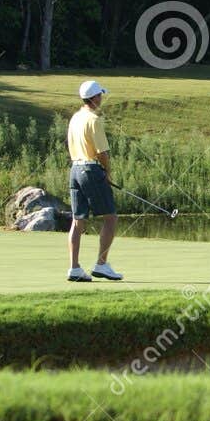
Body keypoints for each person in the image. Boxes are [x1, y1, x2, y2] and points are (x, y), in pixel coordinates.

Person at [66, 80, 123, 283]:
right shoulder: (93, 119)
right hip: (91, 169)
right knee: (110, 218)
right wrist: (107, 172)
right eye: (100, 95)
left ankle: (74, 268)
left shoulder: (75, 118)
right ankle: (101, 264)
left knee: (78, 220)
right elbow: (103, 153)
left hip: (75, 169)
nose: (102, 99)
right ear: (94, 97)